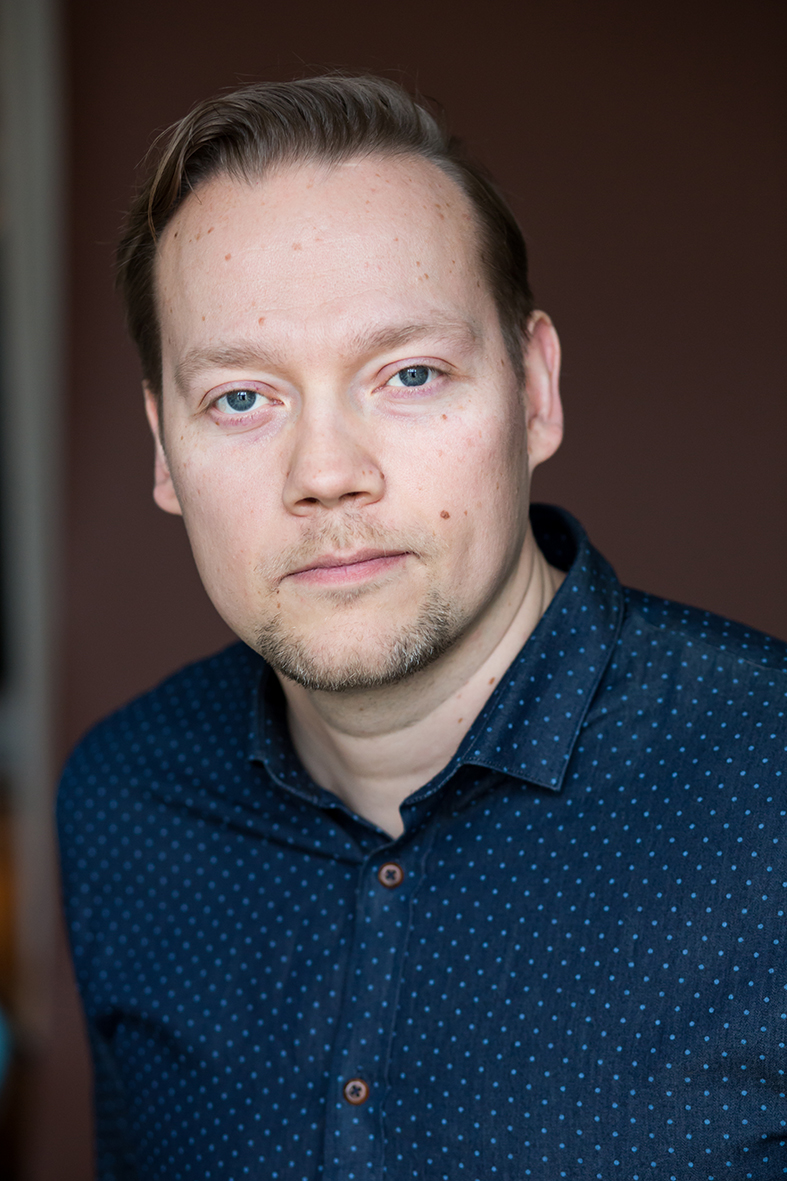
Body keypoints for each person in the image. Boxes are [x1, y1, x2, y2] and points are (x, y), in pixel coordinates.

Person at [58, 75, 787, 1180]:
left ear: (533, 390)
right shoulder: (124, 797)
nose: (325, 472)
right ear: (164, 448)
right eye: (241, 398)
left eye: (408, 373)